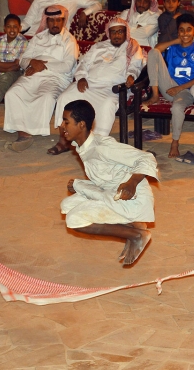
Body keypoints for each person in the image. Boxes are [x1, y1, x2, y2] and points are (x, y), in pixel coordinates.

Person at [60, 100, 158, 266]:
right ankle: (134, 224)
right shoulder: (84, 146)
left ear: (81, 125)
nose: (62, 125)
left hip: (130, 198)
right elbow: (105, 177)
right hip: (111, 193)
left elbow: (147, 157)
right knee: (66, 204)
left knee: (74, 219)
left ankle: (136, 235)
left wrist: (132, 183)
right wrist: (81, 185)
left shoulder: (102, 147)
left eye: (66, 122)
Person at [48, 17, 143, 155]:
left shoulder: (132, 48)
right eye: (113, 32)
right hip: (89, 84)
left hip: (112, 88)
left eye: (120, 32)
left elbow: (136, 66)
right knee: (65, 97)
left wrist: (131, 76)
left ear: (125, 32)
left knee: (107, 105)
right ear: (108, 33)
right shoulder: (98, 47)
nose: (117, 35)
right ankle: (64, 141)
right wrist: (81, 78)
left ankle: (97, 144)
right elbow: (83, 64)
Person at [3, 5, 78, 152]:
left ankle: (29, 131)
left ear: (63, 21)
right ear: (46, 21)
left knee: (46, 97)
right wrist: (32, 62)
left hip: (56, 77)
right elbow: (24, 60)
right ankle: (22, 132)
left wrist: (41, 65)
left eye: (58, 20)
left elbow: (67, 66)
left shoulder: (69, 41)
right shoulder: (38, 38)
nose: (55, 24)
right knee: (13, 93)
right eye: (51, 20)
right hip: (33, 73)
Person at [143, 14, 194, 158]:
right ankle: (154, 95)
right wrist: (177, 41)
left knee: (177, 107)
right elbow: (157, 49)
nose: (185, 33)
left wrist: (179, 88)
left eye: (188, 30)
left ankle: (175, 142)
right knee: (153, 52)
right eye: (182, 30)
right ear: (178, 32)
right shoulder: (173, 48)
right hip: (169, 86)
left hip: (186, 91)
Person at [20, 0, 101, 37]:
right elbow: (28, 21)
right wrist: (17, 28)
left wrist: (84, 13)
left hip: (56, 38)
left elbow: (97, 4)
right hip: (32, 36)